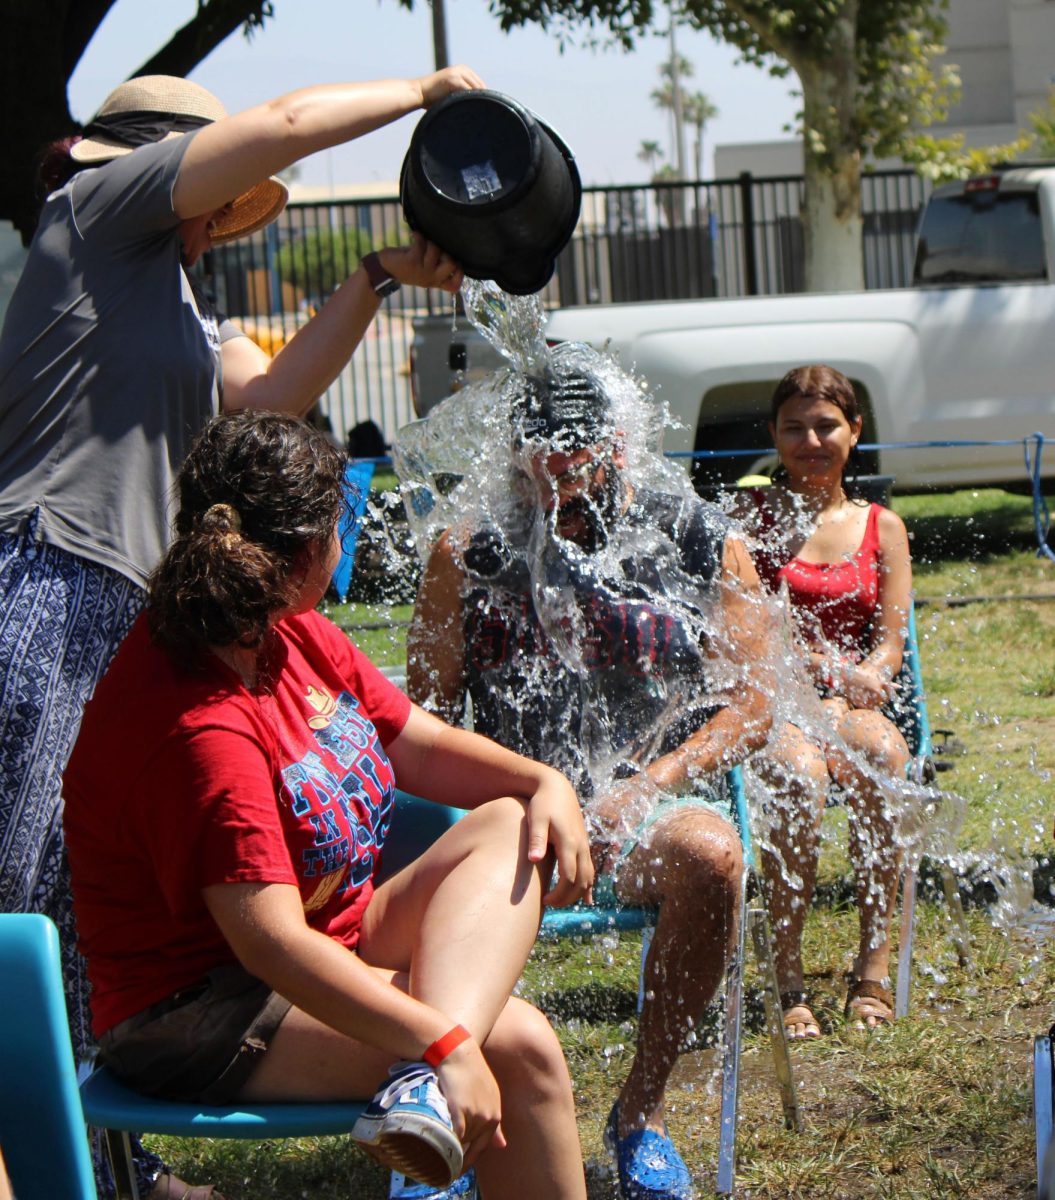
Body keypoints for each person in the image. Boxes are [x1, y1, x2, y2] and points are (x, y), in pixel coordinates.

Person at [0, 67, 479, 1198]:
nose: (228, 209)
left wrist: (372, 278)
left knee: (84, 923)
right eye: (222, 184)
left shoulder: (170, 298)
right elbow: (281, 124)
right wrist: (424, 92)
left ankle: (104, 1165)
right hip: (49, 591)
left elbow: (269, 407)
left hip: (124, 614)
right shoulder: (94, 211)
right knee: (13, 907)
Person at [63, 410, 593, 1200]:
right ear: (311, 549)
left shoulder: (286, 629)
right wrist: (443, 1041)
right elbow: (269, 945)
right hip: (200, 1014)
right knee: (518, 1047)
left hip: (320, 940)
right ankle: (433, 1077)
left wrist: (541, 781)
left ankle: (420, 1093)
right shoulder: (198, 725)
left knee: (512, 823)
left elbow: (410, 741)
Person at [407, 349, 773, 1200]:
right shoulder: (468, 551)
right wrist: (502, 803)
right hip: (510, 822)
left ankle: (637, 1118)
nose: (558, 473)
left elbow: (754, 704)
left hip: (639, 805)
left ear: (617, 441)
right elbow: (422, 719)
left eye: (576, 451)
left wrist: (651, 782)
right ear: (512, 449)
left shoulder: (695, 539)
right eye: (539, 452)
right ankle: (449, 1122)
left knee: (713, 855)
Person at [730, 364, 913, 1038]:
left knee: (881, 752)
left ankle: (872, 962)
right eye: (793, 427)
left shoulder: (881, 528)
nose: (810, 440)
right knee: (798, 773)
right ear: (773, 437)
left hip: (848, 703)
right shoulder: (749, 520)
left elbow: (890, 645)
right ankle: (788, 977)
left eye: (825, 425)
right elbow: (749, 638)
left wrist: (870, 669)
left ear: (854, 430)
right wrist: (827, 672)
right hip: (773, 701)